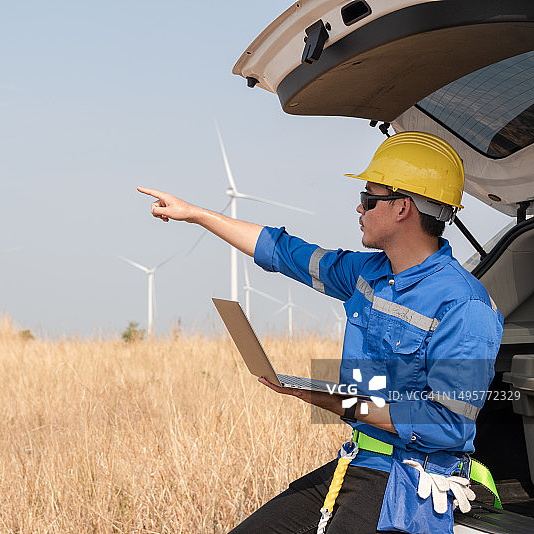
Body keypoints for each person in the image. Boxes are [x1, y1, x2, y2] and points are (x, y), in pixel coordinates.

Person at [138, 131, 504, 534]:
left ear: (402, 207)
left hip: (407, 481)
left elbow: (447, 425)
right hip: (358, 461)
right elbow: (284, 252)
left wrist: (335, 401)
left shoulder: (464, 306)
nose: (358, 208)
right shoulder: (369, 274)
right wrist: (198, 214)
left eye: (368, 199)